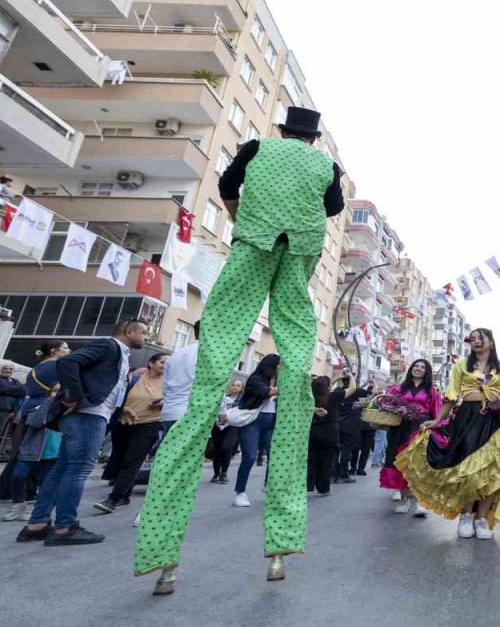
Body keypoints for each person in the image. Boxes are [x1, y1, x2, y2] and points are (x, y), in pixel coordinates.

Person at [135, 105, 346, 592]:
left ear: (281, 131)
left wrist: (240, 216)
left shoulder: (257, 147)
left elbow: (228, 186)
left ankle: (163, 555)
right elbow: (332, 209)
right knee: (295, 365)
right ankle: (279, 548)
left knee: (216, 354)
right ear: (312, 139)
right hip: (297, 254)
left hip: (252, 243)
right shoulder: (327, 166)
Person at [396, 329, 500, 540]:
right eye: (472, 339)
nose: (475, 341)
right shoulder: (461, 365)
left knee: (494, 470)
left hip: (494, 419)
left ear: (491, 342)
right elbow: (451, 395)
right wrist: (437, 420)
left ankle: (482, 518)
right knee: (469, 469)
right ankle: (466, 515)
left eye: (479, 338)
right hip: (467, 418)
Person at [17, 319, 147, 546]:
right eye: (143, 333)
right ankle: (65, 528)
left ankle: (37, 524)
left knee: (61, 469)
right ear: (128, 331)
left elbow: (105, 384)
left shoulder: (121, 355)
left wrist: (119, 409)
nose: (146, 338)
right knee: (78, 470)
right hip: (87, 415)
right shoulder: (109, 345)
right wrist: (73, 395)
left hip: (93, 413)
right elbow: (68, 361)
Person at [0, 341, 68, 521]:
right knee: (29, 468)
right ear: (54, 351)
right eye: (65, 348)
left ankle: (29, 503)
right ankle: (25, 502)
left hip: (36, 416)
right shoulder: (56, 366)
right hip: (44, 416)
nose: (69, 351)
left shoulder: (37, 368)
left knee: (34, 467)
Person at [96, 353, 167, 514]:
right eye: (162, 362)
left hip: (149, 425)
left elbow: (177, 401)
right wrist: (119, 411)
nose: (165, 366)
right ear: (151, 363)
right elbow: (118, 397)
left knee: (132, 461)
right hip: (124, 423)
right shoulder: (134, 378)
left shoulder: (170, 383)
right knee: (120, 458)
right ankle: (124, 495)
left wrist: (164, 403)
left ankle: (113, 499)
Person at [380, 360, 440, 516]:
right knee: (401, 463)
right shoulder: (398, 388)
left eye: (422, 367)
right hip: (399, 428)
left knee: (418, 465)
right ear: (411, 369)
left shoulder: (431, 391)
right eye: (416, 366)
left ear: (427, 372)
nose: (418, 369)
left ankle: (419, 502)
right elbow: (387, 406)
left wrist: (437, 427)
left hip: (420, 429)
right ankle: (404, 499)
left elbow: (437, 413)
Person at [233, 353, 281, 507]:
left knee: (275, 456)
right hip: (253, 422)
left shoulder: (278, 380)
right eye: (279, 366)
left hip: (271, 422)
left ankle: (269, 486)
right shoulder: (256, 379)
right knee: (249, 457)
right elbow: (266, 392)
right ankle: (240, 492)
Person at [306, 372, 352, 497]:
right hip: (329, 431)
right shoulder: (333, 396)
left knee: (311, 459)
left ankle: (308, 486)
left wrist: (337, 378)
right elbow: (351, 388)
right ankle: (323, 488)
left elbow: (322, 386)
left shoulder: (309, 398)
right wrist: (350, 377)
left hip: (312, 430)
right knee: (327, 461)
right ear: (328, 387)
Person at [161, 320, 201, 437]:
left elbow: (165, 386)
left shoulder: (177, 353)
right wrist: (222, 411)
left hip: (170, 411)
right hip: (191, 414)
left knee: (168, 452)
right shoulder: (206, 355)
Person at [209, 380, 244, 483]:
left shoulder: (241, 401)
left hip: (232, 426)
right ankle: (216, 473)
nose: (234, 387)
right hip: (218, 425)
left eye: (238, 386)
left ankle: (224, 473)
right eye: (233, 385)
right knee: (217, 449)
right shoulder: (223, 397)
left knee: (226, 447)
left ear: (241, 389)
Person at [335, 379, 367, 483]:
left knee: (336, 451)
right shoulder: (358, 392)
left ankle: (333, 474)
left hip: (338, 423)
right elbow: (374, 392)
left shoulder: (338, 391)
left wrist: (338, 377)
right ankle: (343, 475)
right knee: (346, 451)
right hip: (351, 425)